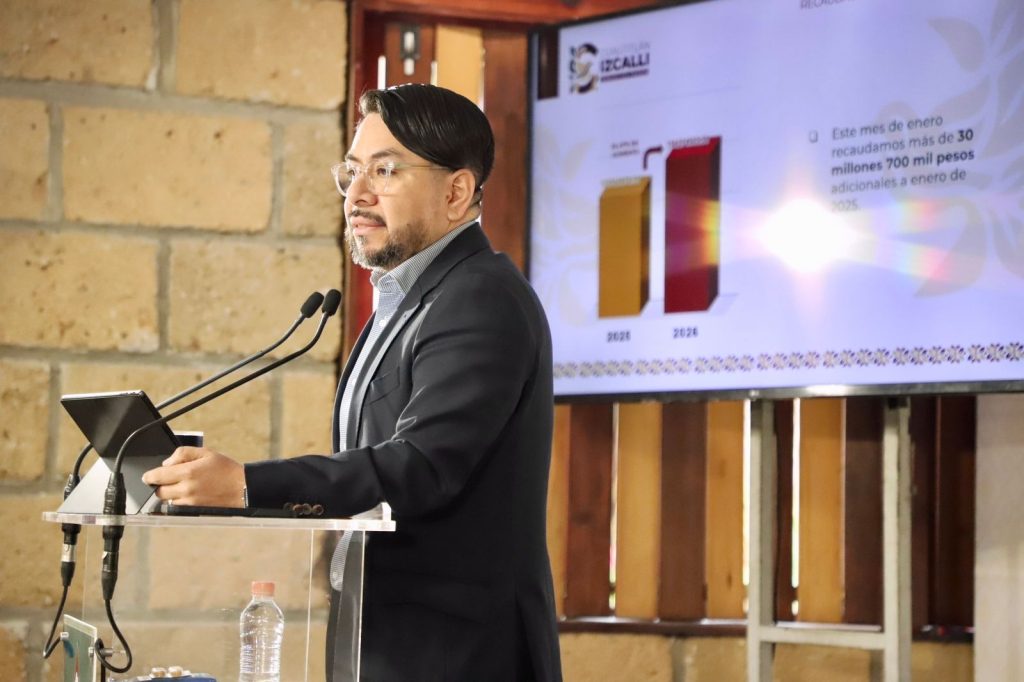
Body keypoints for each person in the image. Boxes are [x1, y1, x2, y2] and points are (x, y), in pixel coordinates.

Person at [142, 83, 563, 682]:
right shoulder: (405, 300)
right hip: (385, 640)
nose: (357, 195)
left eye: (385, 171)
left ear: (456, 192)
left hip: (456, 654)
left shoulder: (479, 297)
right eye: (352, 170)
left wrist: (246, 484)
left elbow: (422, 465)